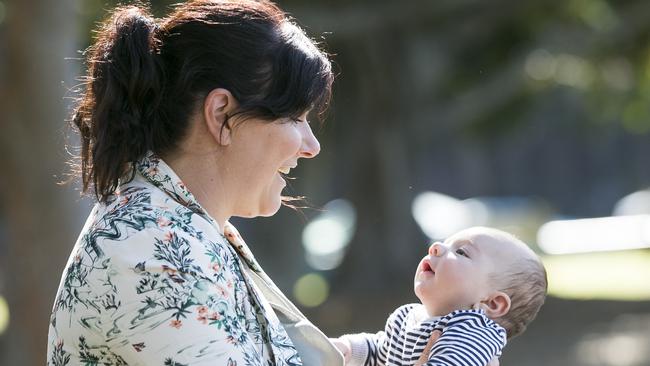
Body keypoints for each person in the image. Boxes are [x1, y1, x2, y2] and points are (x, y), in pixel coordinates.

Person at [46, 1, 338, 365]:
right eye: (294, 117)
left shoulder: (175, 223)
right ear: (221, 114)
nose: (312, 146)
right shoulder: (151, 252)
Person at [331, 227, 547, 366]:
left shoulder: (473, 332)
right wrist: (349, 349)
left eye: (462, 252)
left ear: (492, 303)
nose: (436, 247)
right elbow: (381, 352)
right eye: (445, 242)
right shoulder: (407, 317)